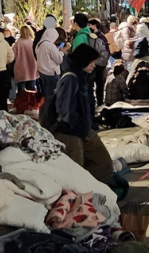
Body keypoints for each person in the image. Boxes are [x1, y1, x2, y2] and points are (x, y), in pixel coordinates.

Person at [46, 43, 112, 182]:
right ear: (83, 60)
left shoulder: (79, 77)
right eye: (92, 62)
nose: (94, 65)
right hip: (69, 132)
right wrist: (78, 126)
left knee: (101, 162)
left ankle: (93, 189)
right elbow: (66, 110)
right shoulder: (71, 79)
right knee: (76, 169)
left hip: (81, 128)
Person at [36, 17, 65, 103]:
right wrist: (62, 52)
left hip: (42, 72)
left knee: (46, 96)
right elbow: (59, 60)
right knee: (54, 96)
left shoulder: (40, 44)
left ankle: (47, 112)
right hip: (52, 74)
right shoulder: (50, 45)